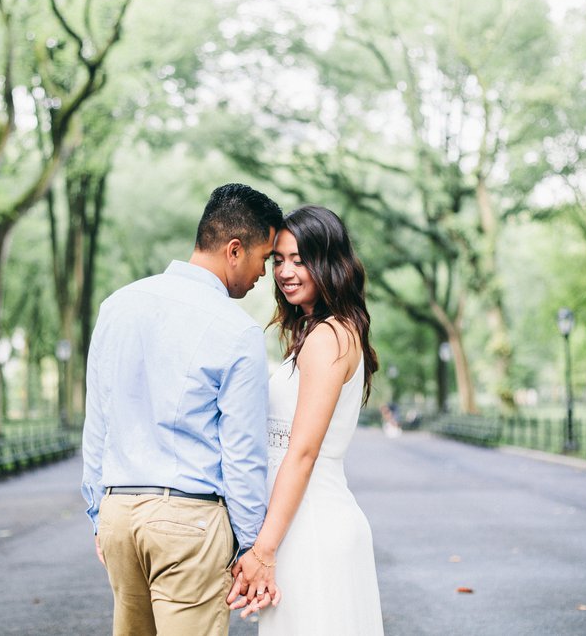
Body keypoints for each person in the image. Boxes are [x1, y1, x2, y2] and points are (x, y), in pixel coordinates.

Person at [80, 183, 283, 636]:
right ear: (235, 250)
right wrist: (251, 545)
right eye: (265, 259)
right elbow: (242, 453)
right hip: (187, 520)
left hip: (118, 513)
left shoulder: (116, 306)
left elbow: (98, 420)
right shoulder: (237, 331)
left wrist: (99, 511)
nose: (264, 275)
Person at [228, 205, 385, 634]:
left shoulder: (328, 336)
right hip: (302, 521)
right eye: (278, 259)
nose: (285, 271)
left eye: (300, 259)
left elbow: (302, 452)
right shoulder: (325, 332)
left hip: (311, 524)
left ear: (330, 262)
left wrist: (263, 549)